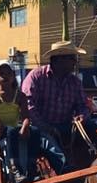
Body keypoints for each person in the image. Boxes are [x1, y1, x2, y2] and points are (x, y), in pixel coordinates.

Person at [21, 41, 89, 169]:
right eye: (72, 58)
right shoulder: (36, 77)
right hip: (39, 128)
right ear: (59, 60)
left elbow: (82, 105)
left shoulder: (75, 82)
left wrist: (82, 116)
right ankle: (65, 168)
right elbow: (28, 106)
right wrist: (45, 127)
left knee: (95, 126)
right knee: (48, 141)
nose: (75, 62)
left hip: (67, 126)